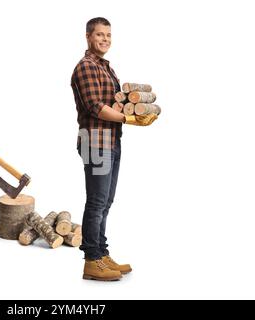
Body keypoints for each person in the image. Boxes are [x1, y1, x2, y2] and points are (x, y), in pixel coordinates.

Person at [71, 17, 158, 281]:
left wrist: (128, 108)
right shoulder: (86, 67)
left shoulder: (106, 67)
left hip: (110, 140)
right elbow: (95, 107)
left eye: (108, 35)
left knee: (106, 202)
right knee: (96, 202)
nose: (105, 39)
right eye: (100, 35)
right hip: (94, 141)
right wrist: (127, 119)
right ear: (88, 37)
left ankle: (101, 252)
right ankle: (91, 261)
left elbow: (112, 104)